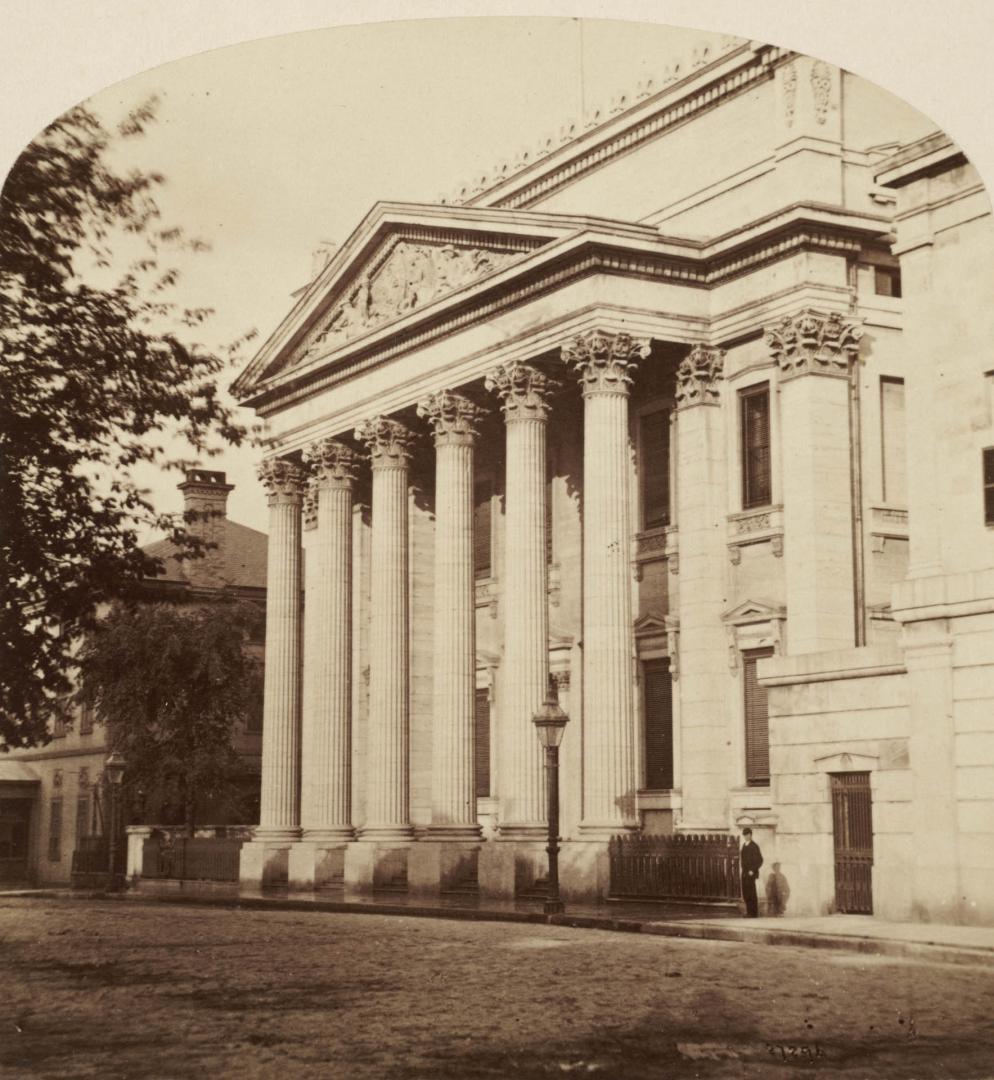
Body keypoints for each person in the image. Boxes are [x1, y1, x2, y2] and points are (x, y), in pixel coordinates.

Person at [740, 827, 763, 917]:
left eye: (747, 834)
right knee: (746, 893)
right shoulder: (744, 845)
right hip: (744, 873)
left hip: (751, 873)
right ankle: (749, 912)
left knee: (751, 893)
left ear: (750, 835)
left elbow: (760, 860)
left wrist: (753, 870)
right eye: (744, 835)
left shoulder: (754, 846)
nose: (746, 836)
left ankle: (753, 913)